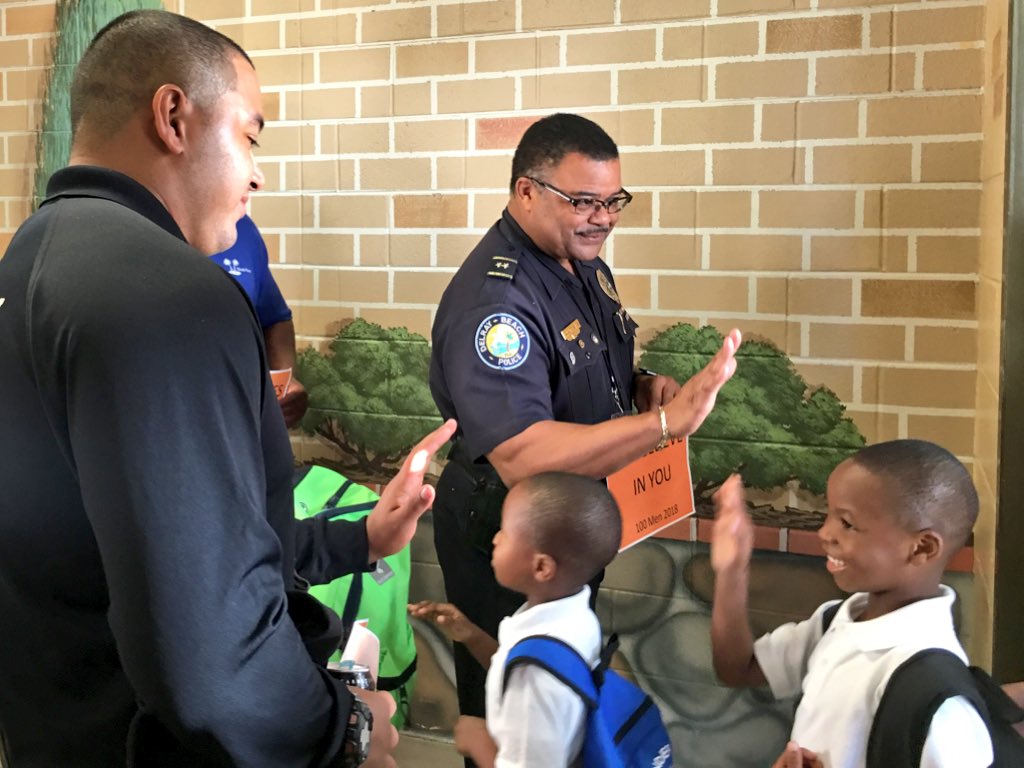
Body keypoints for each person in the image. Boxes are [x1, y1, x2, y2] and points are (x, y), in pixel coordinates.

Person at [0, 10, 456, 767]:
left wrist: (363, 537)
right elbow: (206, 640)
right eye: (249, 134)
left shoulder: (28, 263)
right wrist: (341, 730)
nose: (256, 171)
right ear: (174, 115)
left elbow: (170, 542)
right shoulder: (170, 294)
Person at [428, 111, 742, 725]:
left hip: (571, 520)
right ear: (526, 191)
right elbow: (520, 453)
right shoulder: (497, 301)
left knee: (562, 696)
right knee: (512, 710)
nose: (603, 217)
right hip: (507, 529)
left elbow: (583, 367)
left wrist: (643, 387)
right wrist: (662, 427)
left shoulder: (583, 265)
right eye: (583, 201)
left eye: (613, 200)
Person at [710, 440, 994, 768]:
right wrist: (731, 571)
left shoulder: (935, 696)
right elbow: (738, 668)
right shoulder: (838, 621)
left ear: (921, 548)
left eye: (847, 523)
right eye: (828, 514)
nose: (824, 533)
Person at [410, 472, 622, 768]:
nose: (495, 538)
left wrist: (478, 741)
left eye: (506, 532)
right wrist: (472, 635)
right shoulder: (574, 618)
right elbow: (523, 660)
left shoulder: (536, 677)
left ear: (541, 567)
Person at [212, 213, 308, 427]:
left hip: (244, 426)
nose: (257, 180)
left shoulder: (241, 227)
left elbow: (274, 318)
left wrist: (284, 384)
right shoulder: (135, 227)